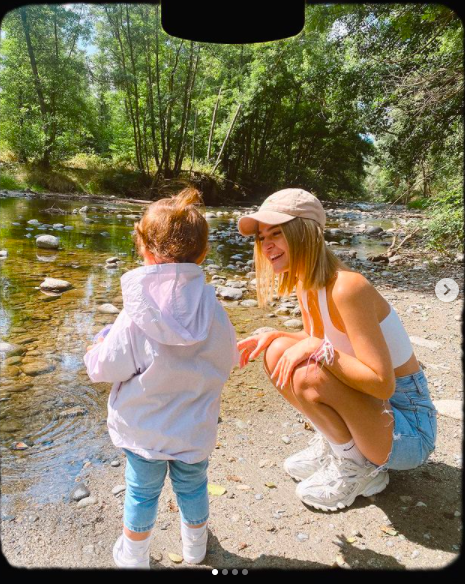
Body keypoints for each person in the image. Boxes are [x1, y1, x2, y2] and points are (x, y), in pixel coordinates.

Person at [237, 188, 437, 511]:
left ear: (304, 233)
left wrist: (318, 348)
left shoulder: (347, 287)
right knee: (275, 352)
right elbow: (317, 337)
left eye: (276, 233)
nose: (266, 244)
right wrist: (275, 335)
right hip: (377, 411)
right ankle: (340, 445)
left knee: (308, 373)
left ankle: (358, 467)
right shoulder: (306, 283)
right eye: (261, 238)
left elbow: (383, 383)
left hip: (410, 427)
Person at [84, 188, 239, 568]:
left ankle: (134, 555)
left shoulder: (136, 314)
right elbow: (228, 358)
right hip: (194, 428)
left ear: (145, 250)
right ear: (202, 253)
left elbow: (108, 367)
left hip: (145, 431)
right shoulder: (213, 309)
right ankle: (195, 548)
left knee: (141, 492)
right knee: (193, 486)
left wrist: (96, 348)